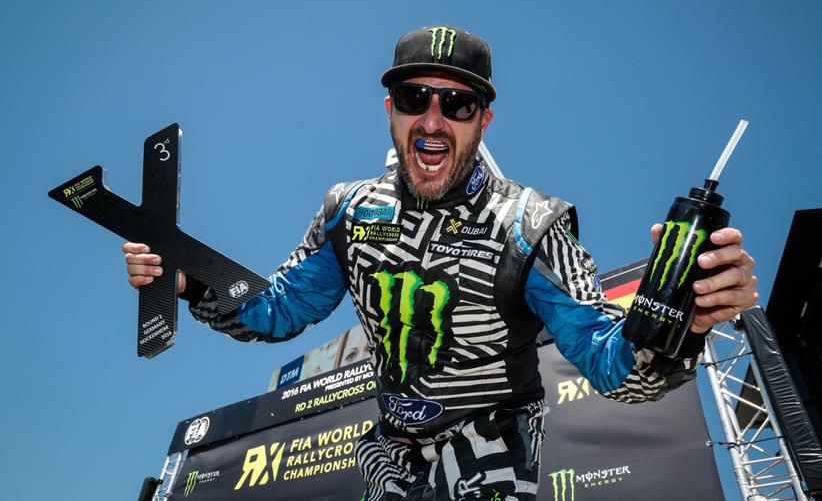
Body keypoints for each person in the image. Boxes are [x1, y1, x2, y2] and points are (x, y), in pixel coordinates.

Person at [122, 25, 757, 500]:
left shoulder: (532, 226)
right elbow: (279, 310)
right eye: (413, 97)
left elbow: (616, 369)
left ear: (483, 120)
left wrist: (684, 323)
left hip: (493, 438)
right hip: (390, 444)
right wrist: (185, 280)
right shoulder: (349, 210)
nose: (432, 120)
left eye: (455, 105)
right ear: (389, 109)